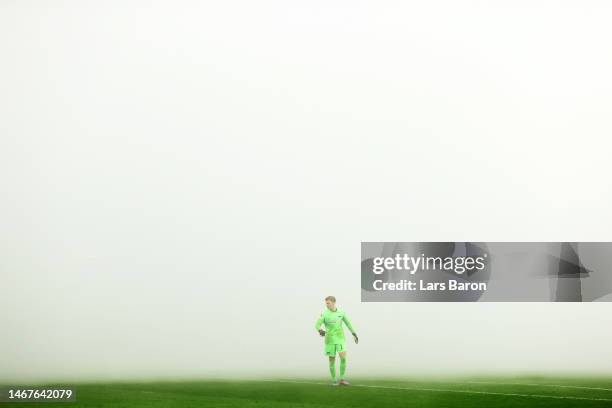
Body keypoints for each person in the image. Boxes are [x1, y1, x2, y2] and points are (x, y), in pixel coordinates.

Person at [314, 296, 358, 386]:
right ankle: (334, 380)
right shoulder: (324, 314)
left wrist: (354, 333)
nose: (327, 305)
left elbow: (348, 323)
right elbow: (317, 324)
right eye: (326, 303)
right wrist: (320, 330)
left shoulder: (341, 313)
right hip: (329, 340)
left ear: (334, 302)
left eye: (328, 303)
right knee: (332, 360)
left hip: (340, 339)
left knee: (343, 358)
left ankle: (342, 379)